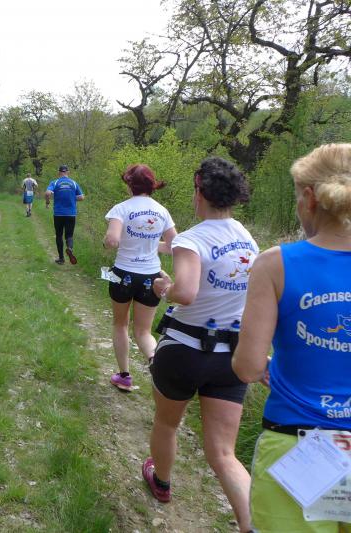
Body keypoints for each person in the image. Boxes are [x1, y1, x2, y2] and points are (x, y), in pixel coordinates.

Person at [232, 144, 351, 533]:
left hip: (297, 448)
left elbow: (247, 367)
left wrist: (266, 366)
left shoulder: (275, 263)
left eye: (298, 198)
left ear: (311, 198)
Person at [147, 157, 257, 533]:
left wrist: (164, 288)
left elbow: (186, 292)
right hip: (230, 356)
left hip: (183, 350)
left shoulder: (191, 239)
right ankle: (254, 523)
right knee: (224, 453)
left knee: (167, 423)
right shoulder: (246, 238)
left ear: (200, 191)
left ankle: (161, 482)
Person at [103, 164, 177, 392]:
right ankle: (155, 361)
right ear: (152, 185)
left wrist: (107, 243)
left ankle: (124, 376)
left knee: (120, 324)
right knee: (143, 331)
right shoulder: (162, 211)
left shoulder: (121, 209)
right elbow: (174, 245)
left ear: (129, 184)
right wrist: (152, 245)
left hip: (122, 274)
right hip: (151, 276)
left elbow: (112, 240)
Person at [45, 164, 84, 265]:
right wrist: (72, 197)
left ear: (59, 173)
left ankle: (61, 258)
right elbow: (81, 197)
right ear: (68, 172)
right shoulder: (74, 183)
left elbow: (48, 193)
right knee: (69, 235)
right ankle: (70, 248)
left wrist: (47, 202)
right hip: (71, 214)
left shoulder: (55, 182)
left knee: (59, 235)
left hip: (58, 214)